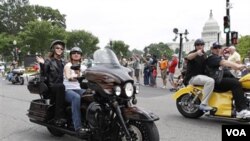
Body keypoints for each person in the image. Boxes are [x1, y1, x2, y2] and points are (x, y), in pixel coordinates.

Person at [206, 42, 250, 119]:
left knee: (241, 82)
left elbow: (227, 69)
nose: (218, 49)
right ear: (212, 49)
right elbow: (225, 63)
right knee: (235, 83)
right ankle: (241, 111)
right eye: (215, 48)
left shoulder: (220, 58)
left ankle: (243, 103)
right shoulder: (212, 58)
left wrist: (243, 68)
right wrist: (237, 66)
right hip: (216, 82)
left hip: (221, 80)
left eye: (219, 47)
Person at [36, 40, 66, 126]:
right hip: (52, 86)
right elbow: (44, 74)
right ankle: (58, 117)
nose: (59, 49)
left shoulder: (63, 62)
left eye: (61, 48)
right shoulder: (49, 61)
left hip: (62, 85)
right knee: (61, 86)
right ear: (53, 49)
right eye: (57, 48)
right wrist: (42, 64)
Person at [183, 39, 215, 111]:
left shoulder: (204, 55)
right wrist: (196, 53)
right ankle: (204, 104)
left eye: (201, 45)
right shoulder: (193, 53)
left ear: (203, 46)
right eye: (198, 45)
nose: (199, 46)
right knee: (210, 81)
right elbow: (188, 57)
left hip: (201, 77)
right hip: (192, 77)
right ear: (195, 46)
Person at [63, 47, 88, 135]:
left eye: (78, 53)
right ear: (71, 55)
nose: (76, 54)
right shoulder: (68, 65)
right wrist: (76, 76)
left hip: (77, 88)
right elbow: (68, 76)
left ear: (81, 56)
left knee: (91, 94)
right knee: (76, 97)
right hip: (67, 90)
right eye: (74, 53)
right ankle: (78, 127)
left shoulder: (83, 67)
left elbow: (90, 74)